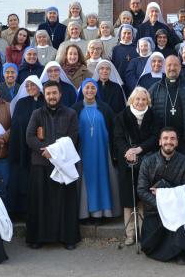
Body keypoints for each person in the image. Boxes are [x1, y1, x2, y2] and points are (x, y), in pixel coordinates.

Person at [25, 81, 81, 249]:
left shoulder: (71, 114)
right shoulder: (37, 114)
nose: (51, 96)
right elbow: (29, 137)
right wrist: (46, 151)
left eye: (54, 93)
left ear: (60, 94)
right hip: (41, 163)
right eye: (48, 93)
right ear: (44, 95)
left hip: (63, 165)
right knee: (40, 202)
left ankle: (67, 238)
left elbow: (73, 138)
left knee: (65, 203)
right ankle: (38, 238)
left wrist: (54, 152)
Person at [137, 128, 185, 265]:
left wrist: (167, 199)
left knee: (181, 223)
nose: (168, 142)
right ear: (160, 141)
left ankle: (180, 253)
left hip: (178, 211)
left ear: (177, 142)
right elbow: (142, 190)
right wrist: (162, 204)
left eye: (172, 139)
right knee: (149, 246)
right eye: (165, 138)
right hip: (155, 211)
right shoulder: (147, 162)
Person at [112, 87, 158, 246]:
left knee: (144, 195)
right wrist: (127, 151)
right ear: (132, 100)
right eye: (137, 99)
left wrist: (140, 148)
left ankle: (144, 231)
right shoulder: (122, 116)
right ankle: (130, 234)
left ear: (148, 101)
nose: (140, 102)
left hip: (147, 160)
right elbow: (117, 137)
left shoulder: (153, 116)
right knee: (128, 197)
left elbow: (155, 136)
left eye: (143, 99)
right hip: (127, 160)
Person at [72, 79, 120, 221]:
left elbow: (114, 130)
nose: (90, 90)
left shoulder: (105, 108)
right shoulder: (75, 108)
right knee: (86, 181)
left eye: (93, 88)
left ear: (97, 90)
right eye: (87, 87)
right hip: (83, 151)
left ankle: (103, 213)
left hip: (103, 152)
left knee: (102, 179)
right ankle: (84, 213)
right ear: (82, 90)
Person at [149, 55, 185, 164]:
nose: (172, 68)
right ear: (164, 67)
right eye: (169, 65)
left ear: (180, 67)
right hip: (164, 142)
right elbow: (148, 116)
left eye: (175, 65)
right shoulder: (155, 88)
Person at [6, 76, 44, 215]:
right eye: (27, 86)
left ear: (39, 86)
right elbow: (16, 124)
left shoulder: (45, 101)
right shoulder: (21, 103)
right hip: (22, 146)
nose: (29, 88)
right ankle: (20, 211)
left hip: (40, 147)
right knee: (21, 179)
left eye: (32, 85)